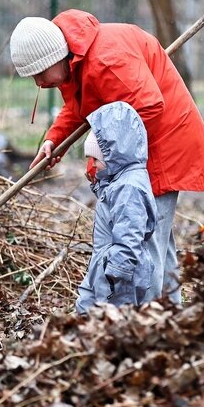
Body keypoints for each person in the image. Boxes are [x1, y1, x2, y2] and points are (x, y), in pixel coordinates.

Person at [9, 9, 204, 304]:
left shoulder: (107, 61)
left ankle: (148, 326)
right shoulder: (75, 62)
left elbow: (149, 106)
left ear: (55, 56)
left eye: (39, 73)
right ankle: (170, 318)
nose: (38, 83)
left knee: (143, 245)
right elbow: (80, 106)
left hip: (162, 147)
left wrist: (102, 144)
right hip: (138, 151)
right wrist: (53, 140)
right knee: (156, 242)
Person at [76, 102, 157, 314]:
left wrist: (117, 271)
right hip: (103, 265)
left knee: (113, 319)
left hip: (119, 275)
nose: (91, 165)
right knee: (84, 311)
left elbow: (131, 231)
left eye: (95, 159)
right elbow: (111, 211)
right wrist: (98, 183)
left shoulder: (129, 187)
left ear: (113, 154)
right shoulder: (117, 181)